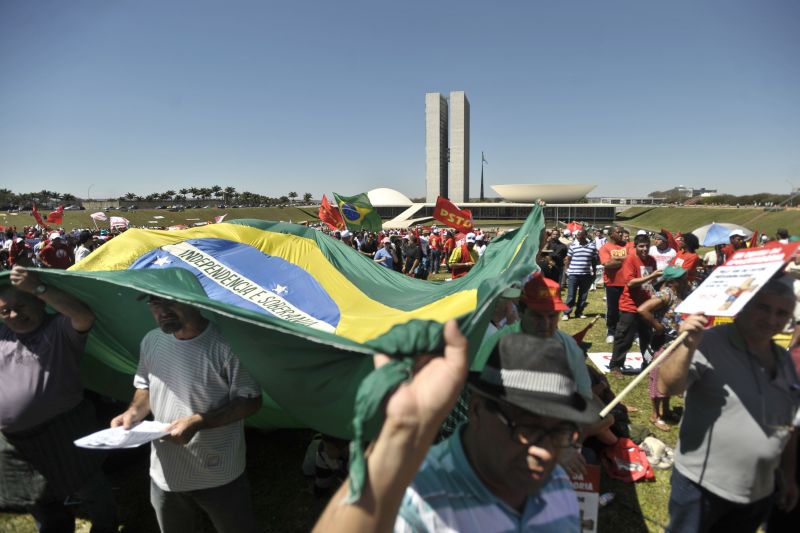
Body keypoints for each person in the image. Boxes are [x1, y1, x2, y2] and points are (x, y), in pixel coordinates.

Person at [313, 321, 598, 533]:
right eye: (526, 429)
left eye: (559, 432)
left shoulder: (557, 485)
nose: (547, 453)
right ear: (476, 410)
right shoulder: (416, 500)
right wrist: (399, 433)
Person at [111, 296, 262, 533]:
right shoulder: (152, 340)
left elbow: (250, 401)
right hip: (165, 473)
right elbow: (146, 386)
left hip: (218, 471)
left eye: (170, 302)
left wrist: (198, 422)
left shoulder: (226, 345)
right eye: (154, 304)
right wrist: (133, 412)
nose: (162, 311)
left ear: (193, 299)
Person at [658, 280, 800, 533]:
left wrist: (788, 476)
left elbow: (789, 425)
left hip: (758, 491)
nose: (771, 319)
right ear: (744, 306)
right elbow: (668, 386)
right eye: (763, 308)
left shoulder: (784, 360)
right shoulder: (710, 341)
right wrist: (687, 345)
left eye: (781, 313)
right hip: (702, 487)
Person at [0, 266, 117, 532]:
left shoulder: (58, 329)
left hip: (63, 431)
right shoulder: (3, 334)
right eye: (5, 311)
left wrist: (39, 288)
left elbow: (83, 316)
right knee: (40, 500)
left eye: (21, 305)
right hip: (16, 443)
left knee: (91, 490)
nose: (14, 315)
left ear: (40, 304)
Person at [637, 265, 690, 431]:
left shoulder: (682, 293)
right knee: (658, 377)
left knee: (670, 377)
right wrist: (657, 326)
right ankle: (655, 415)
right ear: (672, 281)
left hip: (678, 343)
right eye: (681, 277)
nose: (685, 279)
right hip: (664, 343)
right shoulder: (666, 293)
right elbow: (643, 309)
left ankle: (666, 410)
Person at [608, 234, 662, 377]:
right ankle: (616, 366)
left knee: (647, 337)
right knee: (624, 338)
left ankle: (647, 364)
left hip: (646, 306)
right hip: (629, 306)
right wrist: (652, 276)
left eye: (647, 246)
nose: (645, 249)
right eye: (641, 246)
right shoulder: (630, 260)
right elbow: (630, 283)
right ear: (635, 247)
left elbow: (650, 283)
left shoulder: (651, 260)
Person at [599, 226, 629, 343]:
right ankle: (611, 331)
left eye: (622, 232)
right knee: (613, 309)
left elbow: (633, 258)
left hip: (628, 282)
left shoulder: (628, 245)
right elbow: (607, 264)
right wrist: (625, 260)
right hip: (612, 283)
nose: (621, 234)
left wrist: (617, 259)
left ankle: (627, 331)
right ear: (611, 234)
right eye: (618, 232)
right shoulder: (605, 248)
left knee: (627, 309)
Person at [562, 229, 597, 321]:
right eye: (578, 236)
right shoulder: (573, 246)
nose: (579, 238)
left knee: (583, 295)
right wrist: (567, 270)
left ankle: (579, 312)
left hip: (586, 274)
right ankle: (566, 313)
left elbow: (594, 260)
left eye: (580, 236)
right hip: (573, 274)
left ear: (585, 236)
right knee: (571, 295)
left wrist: (594, 271)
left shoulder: (592, 247)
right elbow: (568, 259)